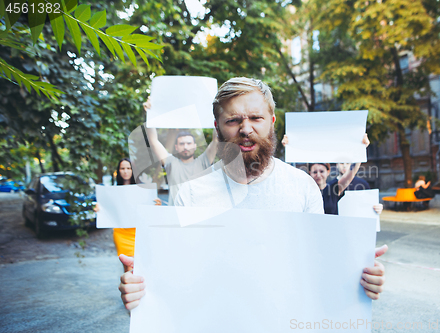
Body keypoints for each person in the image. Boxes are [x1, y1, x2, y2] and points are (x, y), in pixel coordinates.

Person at [118, 77, 387, 310]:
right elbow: (173, 276)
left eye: (255, 118)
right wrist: (141, 291)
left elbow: (318, 268)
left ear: (271, 122)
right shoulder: (190, 195)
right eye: (233, 120)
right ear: (217, 127)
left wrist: (358, 278)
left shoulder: (303, 187)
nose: (246, 129)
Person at [142, 98, 219, 205]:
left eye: (188, 143)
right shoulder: (171, 163)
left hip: (199, 215)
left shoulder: (203, 162)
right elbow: (153, 141)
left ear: (195, 146)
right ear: (176, 147)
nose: (186, 147)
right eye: (182, 144)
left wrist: (218, 112)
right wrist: (149, 113)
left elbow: (216, 139)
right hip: (175, 216)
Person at [94, 158, 161, 272]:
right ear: (118, 171)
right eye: (123, 168)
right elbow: (108, 211)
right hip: (121, 233)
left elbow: (151, 213)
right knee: (128, 267)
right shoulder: (112, 192)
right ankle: (129, 289)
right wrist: (99, 210)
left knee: (141, 266)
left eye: (129, 168)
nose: (126, 171)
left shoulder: (144, 190)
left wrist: (157, 206)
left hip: (139, 232)